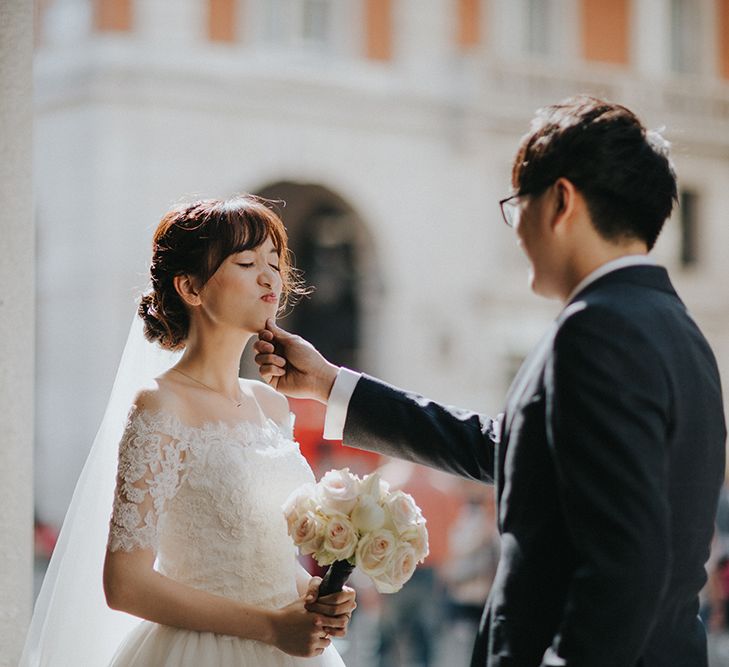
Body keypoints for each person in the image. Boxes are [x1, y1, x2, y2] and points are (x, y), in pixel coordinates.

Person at [254, 96, 727, 666]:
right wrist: (331, 384)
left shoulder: (596, 331)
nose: (516, 228)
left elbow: (626, 560)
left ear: (560, 201)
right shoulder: (684, 335)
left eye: (515, 205)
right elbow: (507, 447)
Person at [22, 197, 356, 666]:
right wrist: (270, 626)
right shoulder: (161, 405)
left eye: (274, 263)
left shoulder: (271, 404)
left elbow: (263, 554)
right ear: (191, 288)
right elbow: (126, 584)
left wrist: (315, 594)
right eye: (246, 262)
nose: (269, 277)